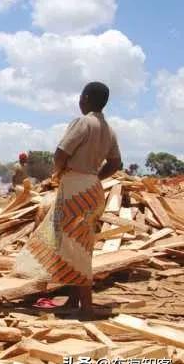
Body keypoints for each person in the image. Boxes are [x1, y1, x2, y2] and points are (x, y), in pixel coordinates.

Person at [13, 81, 122, 319]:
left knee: (74, 247)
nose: (79, 100)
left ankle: (87, 307)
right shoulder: (109, 129)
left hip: (75, 190)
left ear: (86, 98)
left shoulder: (83, 122)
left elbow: (61, 153)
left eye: (82, 96)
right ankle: (74, 299)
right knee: (80, 245)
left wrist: (59, 172)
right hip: (93, 190)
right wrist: (94, 177)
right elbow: (116, 164)